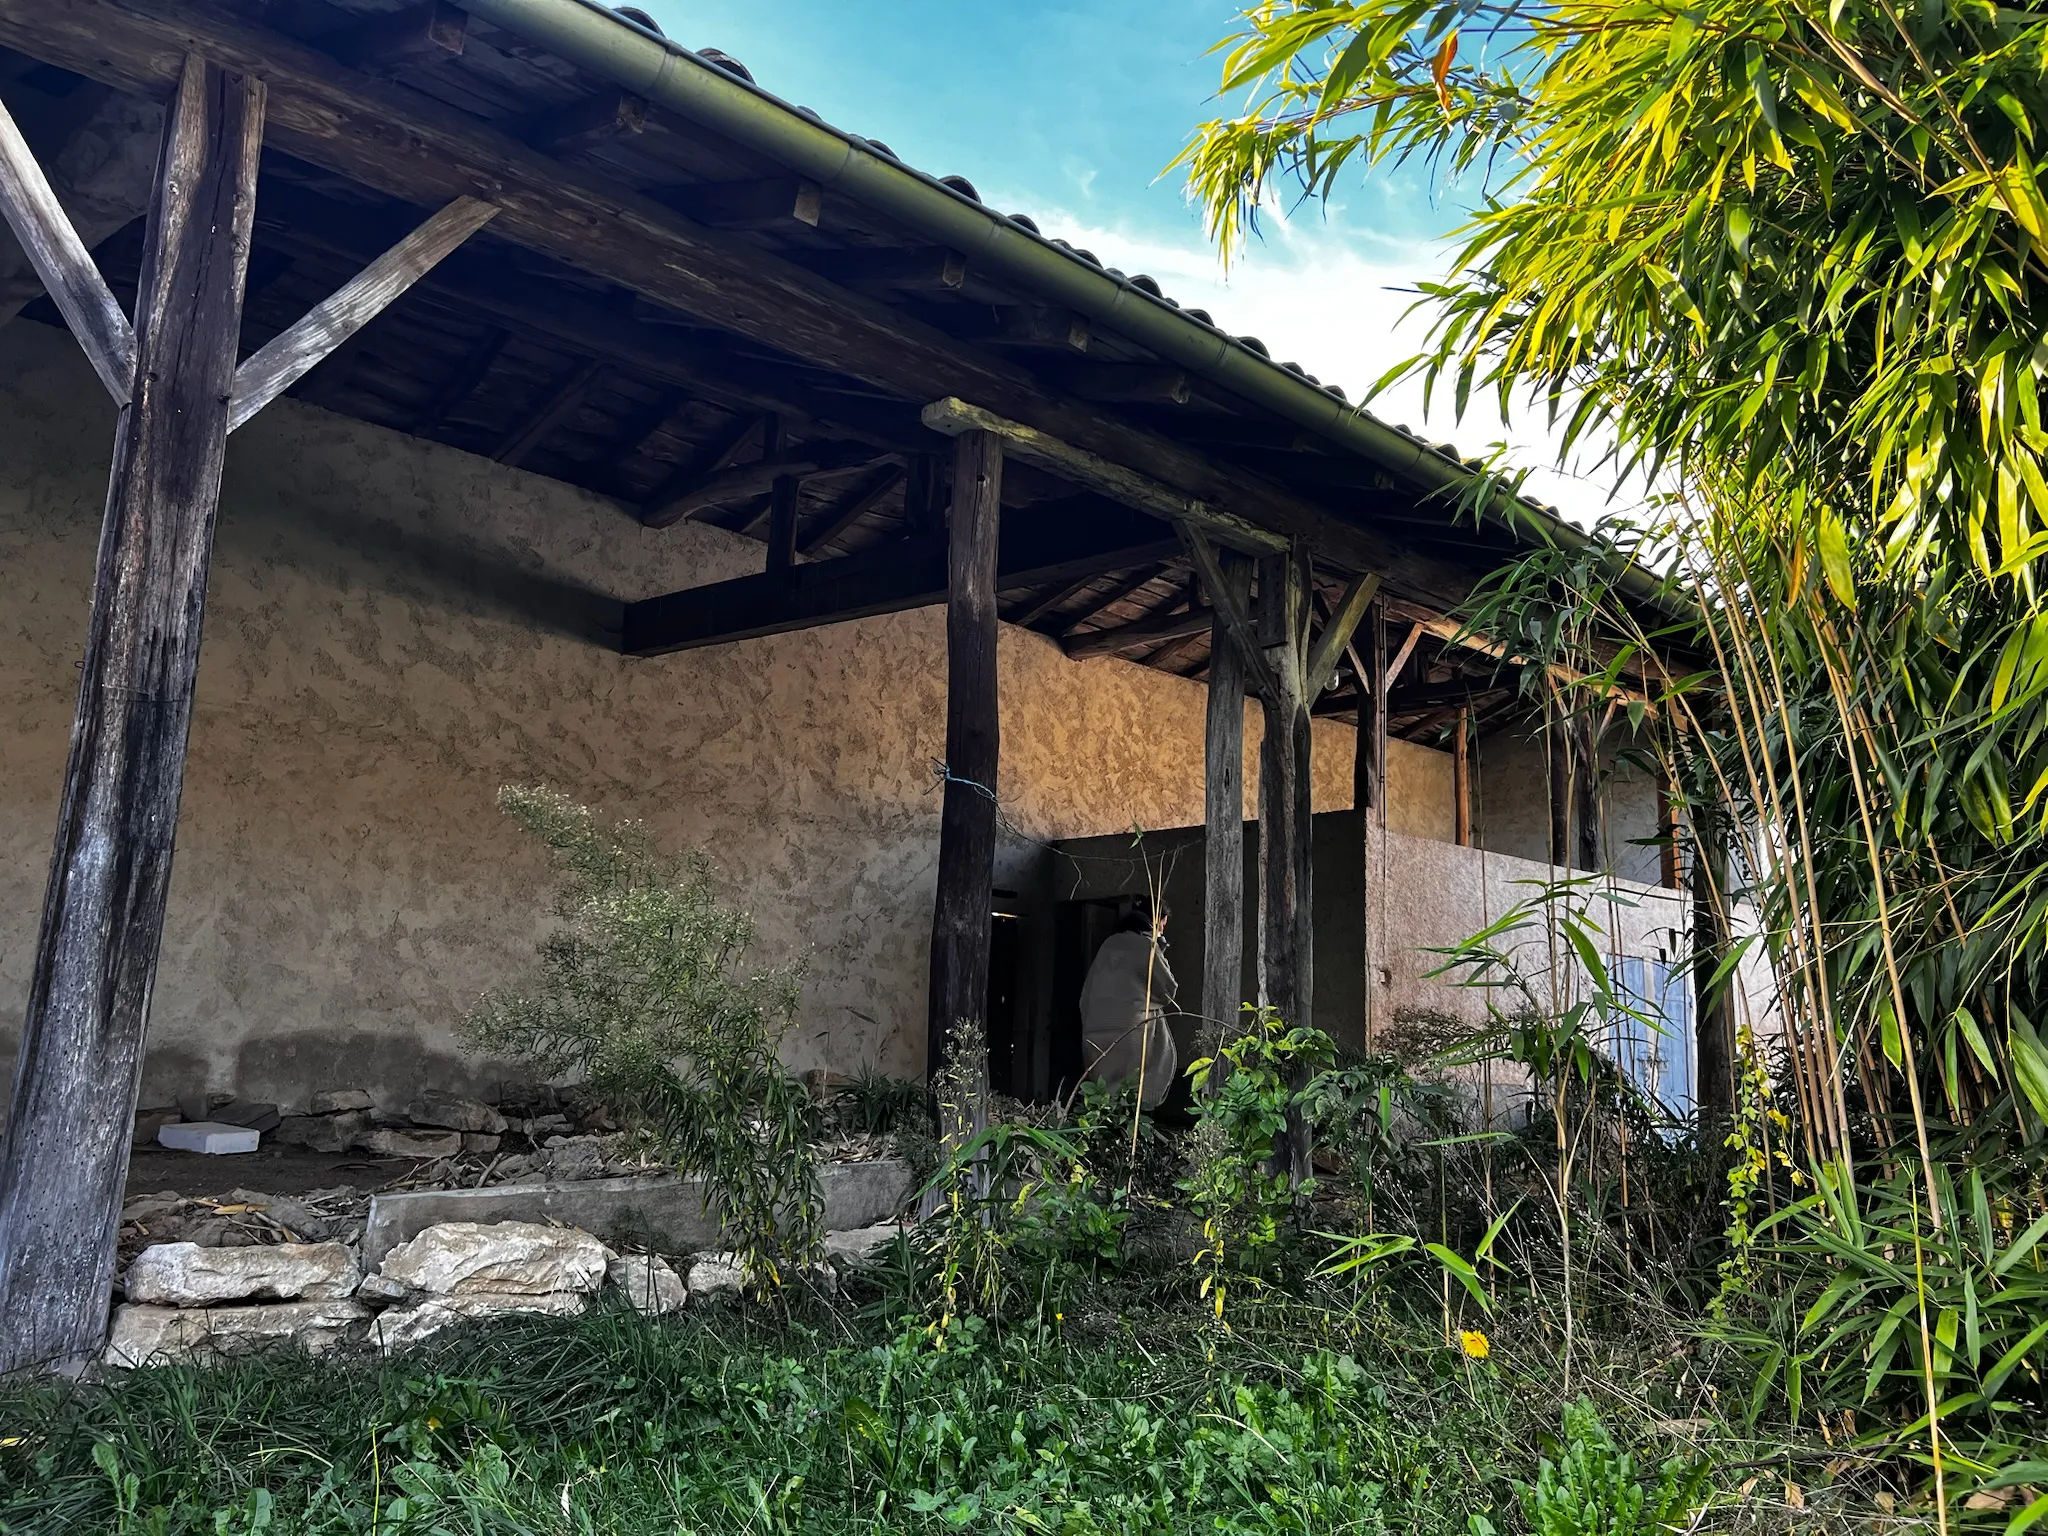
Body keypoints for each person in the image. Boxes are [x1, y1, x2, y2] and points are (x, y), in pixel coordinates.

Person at [1078, 900, 1178, 1108]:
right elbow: (1167, 989)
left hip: (1095, 1027)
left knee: (1103, 1088)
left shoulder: (1109, 943)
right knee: (1133, 1088)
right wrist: (1160, 947)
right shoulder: (1146, 947)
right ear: (1160, 922)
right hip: (1130, 1029)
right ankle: (1133, 1124)